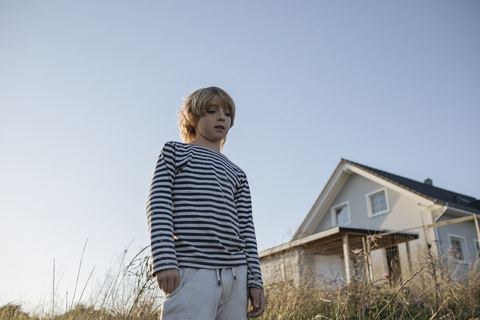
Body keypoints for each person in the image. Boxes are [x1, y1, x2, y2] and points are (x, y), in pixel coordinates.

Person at [146, 86, 266, 319]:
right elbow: (158, 203)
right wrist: (164, 259)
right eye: (211, 110)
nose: (222, 116)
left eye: (227, 113)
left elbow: (247, 229)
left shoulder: (238, 173)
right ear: (192, 117)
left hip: (236, 276)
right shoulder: (174, 152)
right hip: (192, 270)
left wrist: (254, 281)